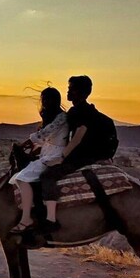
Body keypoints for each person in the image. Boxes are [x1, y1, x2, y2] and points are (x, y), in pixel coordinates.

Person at [39, 75, 107, 232]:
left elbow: (77, 137)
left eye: (71, 88)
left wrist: (61, 158)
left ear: (80, 92)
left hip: (81, 157)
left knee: (47, 176)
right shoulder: (76, 110)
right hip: (76, 154)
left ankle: (50, 220)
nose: (68, 91)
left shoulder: (83, 112)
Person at [9, 87, 69, 234]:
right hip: (48, 152)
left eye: (45, 99)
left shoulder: (61, 118)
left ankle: (26, 219)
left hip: (54, 154)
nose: (44, 102)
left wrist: (23, 145)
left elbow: (43, 134)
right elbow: (45, 139)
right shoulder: (56, 117)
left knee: (22, 179)